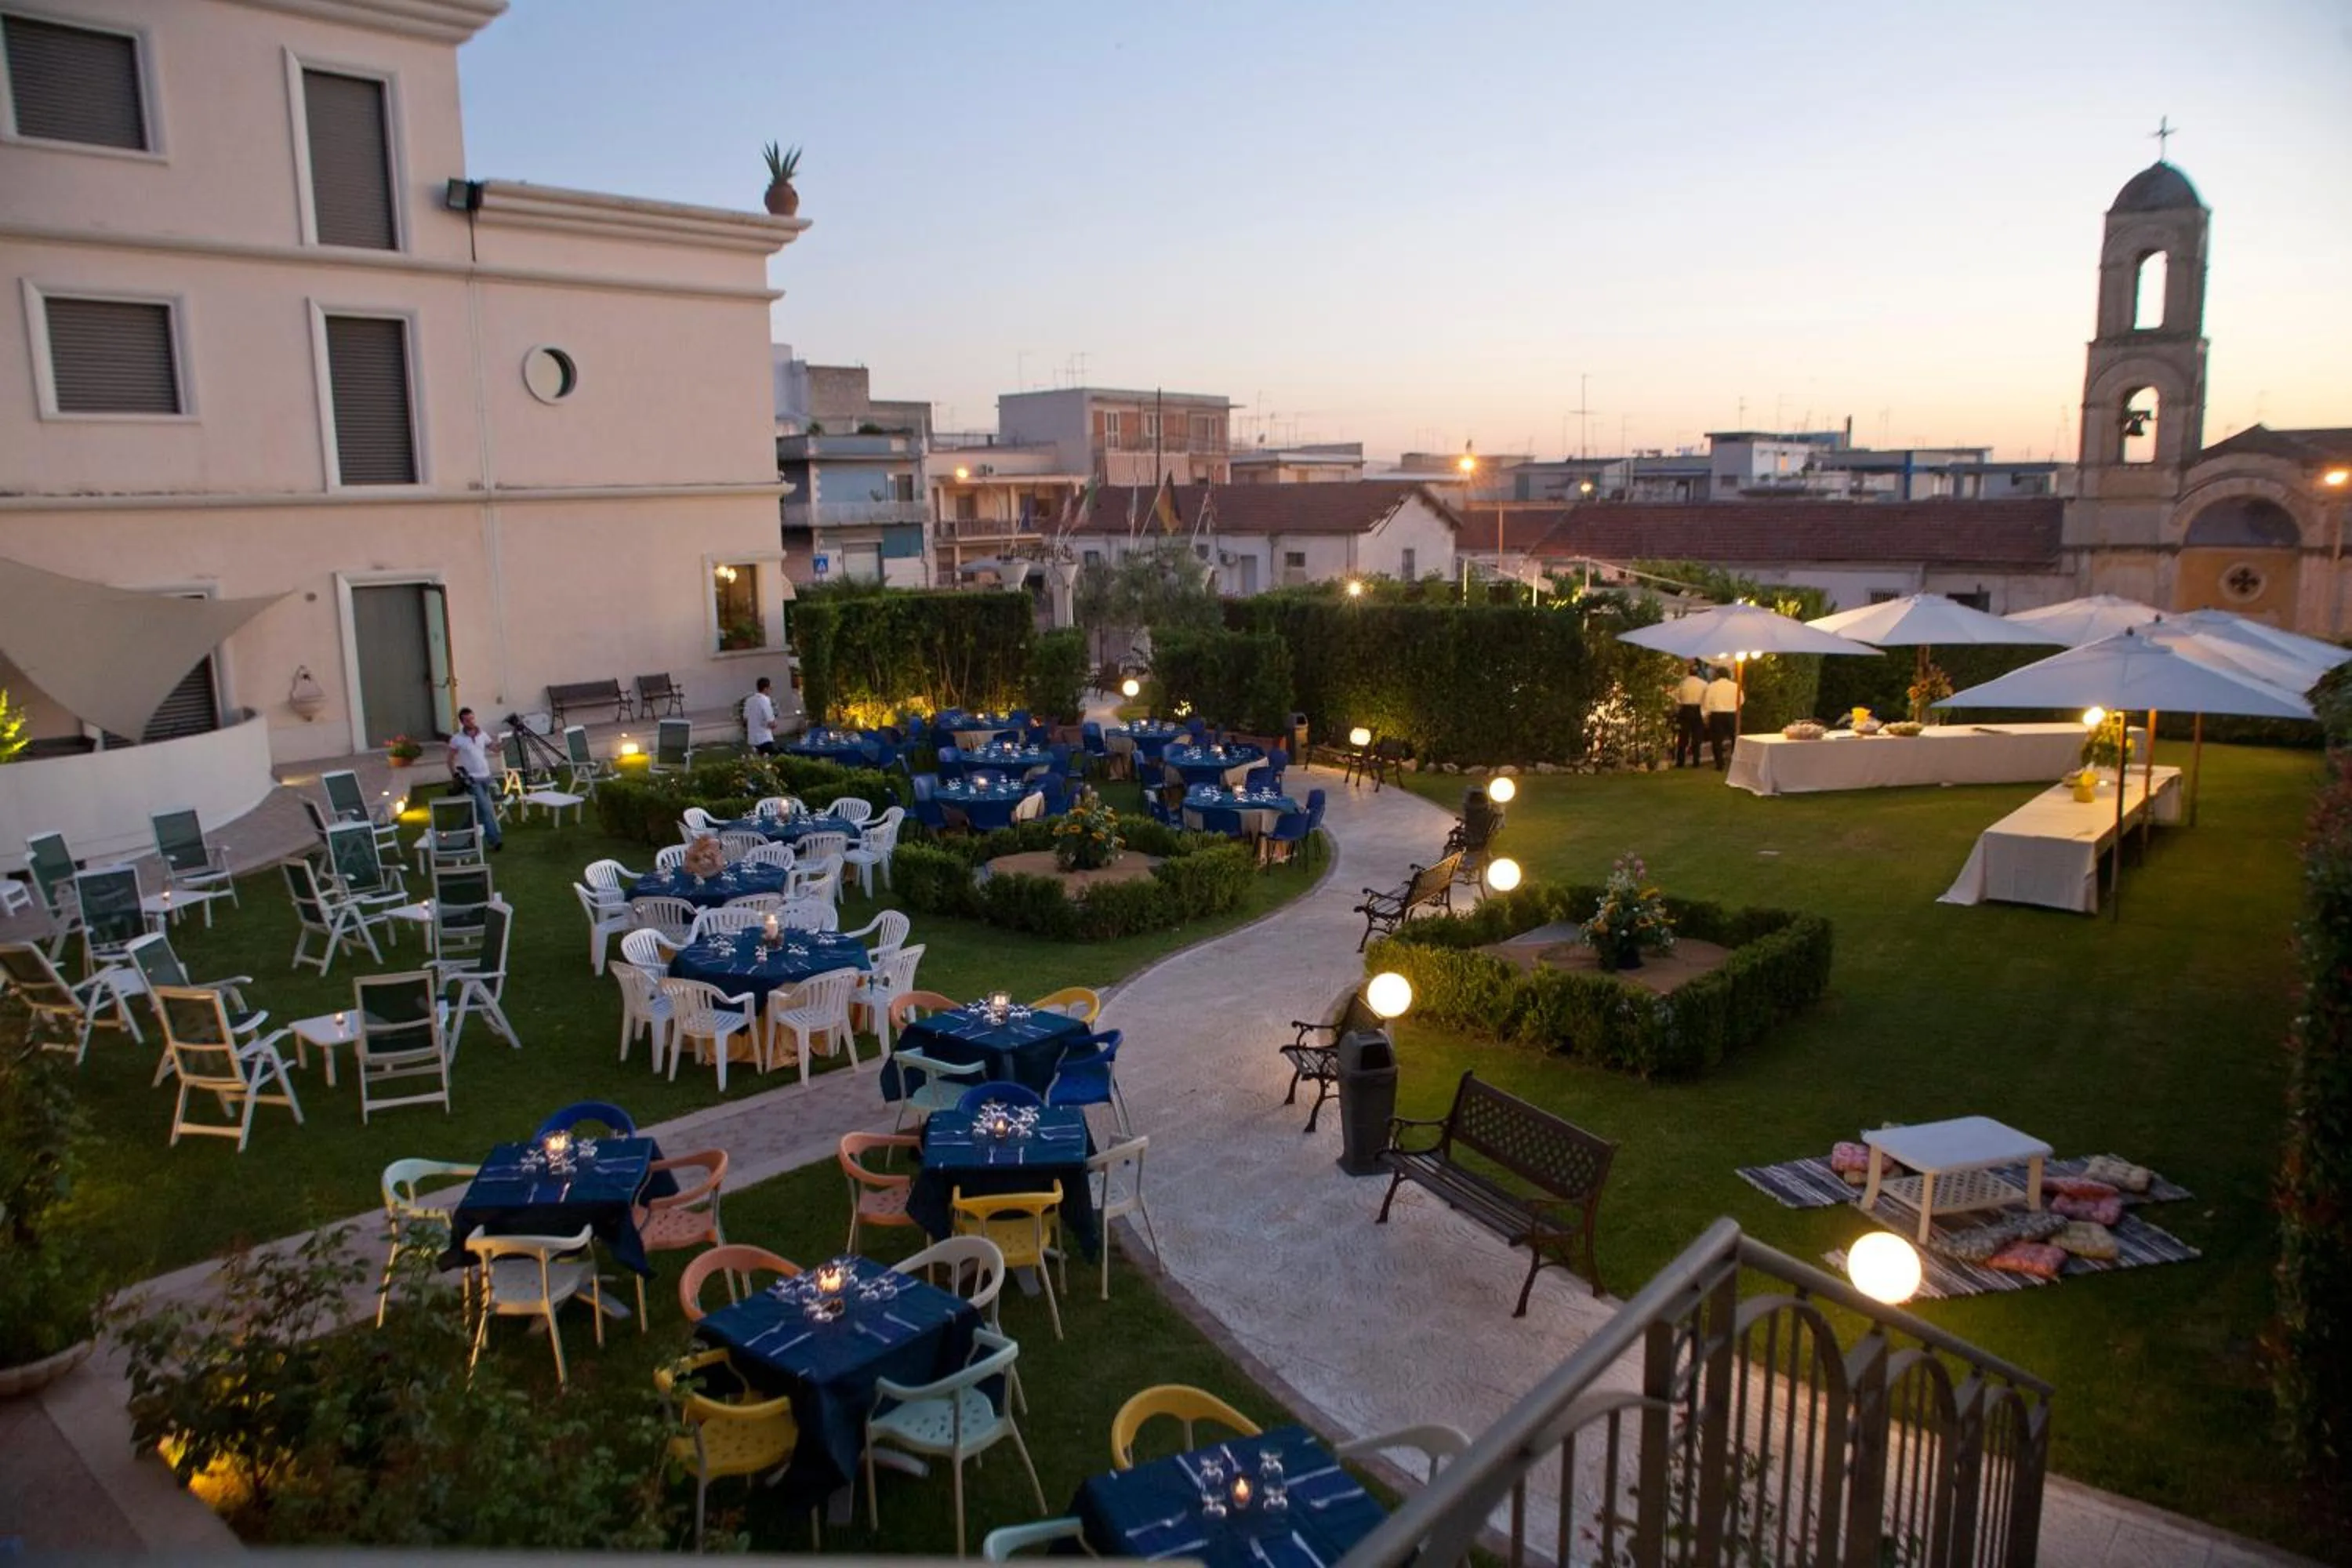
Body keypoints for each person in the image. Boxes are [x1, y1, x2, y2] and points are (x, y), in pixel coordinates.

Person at [445, 708, 503, 852]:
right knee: (486, 809)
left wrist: (507, 742)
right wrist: (455, 775)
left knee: (476, 811)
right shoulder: (457, 739)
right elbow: (449, 759)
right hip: (472, 780)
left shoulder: (482, 734)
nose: (471, 721)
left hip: (486, 777)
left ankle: (457, 834)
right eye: (467, 719)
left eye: (472, 718)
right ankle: (494, 841)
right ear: (462, 721)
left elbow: (494, 749)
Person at [1701, 666, 1741, 771]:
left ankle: (1720, 764)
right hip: (1731, 714)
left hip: (1717, 714)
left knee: (1717, 740)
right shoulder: (1735, 686)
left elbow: (1707, 702)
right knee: (1734, 738)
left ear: (1717, 675)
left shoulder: (1712, 686)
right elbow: (1741, 700)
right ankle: (1735, 761)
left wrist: (1706, 715)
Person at [1671, 659, 1707, 768]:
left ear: (1688, 672)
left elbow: (1676, 698)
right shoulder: (1704, 684)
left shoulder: (1682, 683)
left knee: (1683, 737)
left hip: (1685, 710)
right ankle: (1696, 761)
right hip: (1697, 710)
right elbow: (1706, 699)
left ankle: (1680, 762)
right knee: (1697, 737)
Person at [743, 677, 779, 756]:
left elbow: (745, 719)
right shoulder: (765, 700)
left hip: (752, 740)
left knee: (758, 763)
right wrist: (775, 723)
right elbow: (771, 723)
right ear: (765, 689)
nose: (771, 690)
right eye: (770, 688)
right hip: (764, 739)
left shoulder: (749, 700)